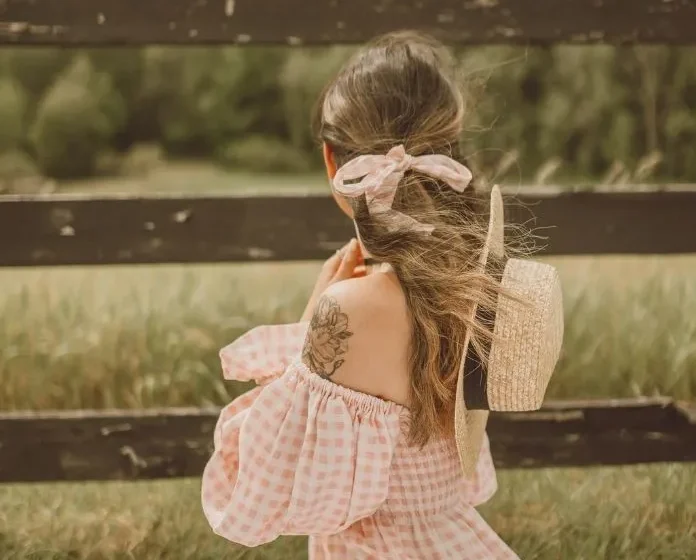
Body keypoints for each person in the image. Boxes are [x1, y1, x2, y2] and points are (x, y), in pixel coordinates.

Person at [201, 30, 564, 559]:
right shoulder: (475, 284)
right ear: (451, 157)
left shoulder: (348, 311)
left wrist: (310, 329)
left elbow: (261, 475)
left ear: (334, 165)